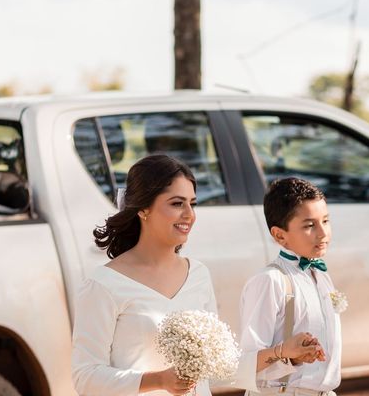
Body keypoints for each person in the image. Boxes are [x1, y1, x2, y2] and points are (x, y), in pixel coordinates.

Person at [71, 154, 322, 396]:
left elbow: (220, 365)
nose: (189, 215)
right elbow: (85, 377)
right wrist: (157, 380)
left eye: (192, 204)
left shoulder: (198, 274)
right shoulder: (104, 285)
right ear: (144, 209)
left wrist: (283, 351)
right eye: (177, 203)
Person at [239, 177, 343, 396]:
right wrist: (287, 353)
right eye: (309, 225)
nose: (323, 233)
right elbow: (244, 365)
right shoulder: (270, 281)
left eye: (325, 221)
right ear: (279, 235)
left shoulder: (321, 275)